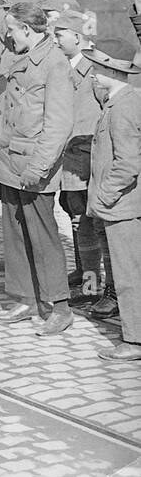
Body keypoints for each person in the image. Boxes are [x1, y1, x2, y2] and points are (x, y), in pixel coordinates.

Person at [0, 0, 74, 333]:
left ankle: (59, 307)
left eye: (12, 33)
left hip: (33, 168)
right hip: (9, 163)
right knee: (13, 233)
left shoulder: (54, 64)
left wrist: (38, 168)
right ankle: (24, 299)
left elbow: (59, 125)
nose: (6, 37)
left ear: (28, 31)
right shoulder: (22, 48)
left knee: (43, 237)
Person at [82, 38, 141, 361]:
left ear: (110, 70)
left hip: (122, 207)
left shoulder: (123, 108)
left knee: (128, 276)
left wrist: (103, 197)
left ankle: (133, 341)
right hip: (123, 205)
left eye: (95, 68)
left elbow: (128, 164)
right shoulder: (123, 101)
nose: (91, 74)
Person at [52, 10, 112, 316]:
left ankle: (93, 288)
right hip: (67, 165)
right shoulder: (61, 66)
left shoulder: (96, 70)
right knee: (78, 225)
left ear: (77, 37)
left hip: (87, 164)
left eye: (60, 34)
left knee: (88, 227)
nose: (55, 39)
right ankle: (87, 280)